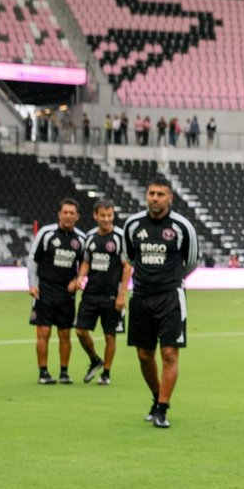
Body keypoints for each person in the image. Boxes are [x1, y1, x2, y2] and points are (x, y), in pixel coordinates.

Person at [122, 177, 200, 428]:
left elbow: (191, 261)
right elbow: (130, 258)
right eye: (151, 193)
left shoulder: (182, 226)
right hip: (141, 296)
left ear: (170, 198)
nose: (155, 198)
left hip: (170, 297)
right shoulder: (133, 225)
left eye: (160, 194)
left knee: (169, 353)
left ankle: (163, 409)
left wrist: (170, 279)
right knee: (145, 355)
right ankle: (156, 398)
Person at [27, 198, 88, 385]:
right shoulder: (46, 233)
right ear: (59, 214)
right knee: (43, 332)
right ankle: (43, 372)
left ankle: (64, 372)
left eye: (72, 213)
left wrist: (78, 280)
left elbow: (86, 265)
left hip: (66, 295)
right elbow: (33, 259)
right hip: (44, 291)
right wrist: (32, 284)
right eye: (65, 212)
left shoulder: (81, 239)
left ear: (77, 216)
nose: (68, 216)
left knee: (65, 334)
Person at [73, 200, 131, 387]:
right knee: (81, 331)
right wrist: (80, 277)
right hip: (91, 293)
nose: (106, 219)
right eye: (103, 215)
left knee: (109, 335)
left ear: (113, 216)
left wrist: (122, 294)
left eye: (109, 215)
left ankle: (106, 372)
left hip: (111, 295)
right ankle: (94, 359)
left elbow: (127, 267)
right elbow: (86, 261)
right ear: (95, 216)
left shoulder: (120, 237)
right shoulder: (90, 237)